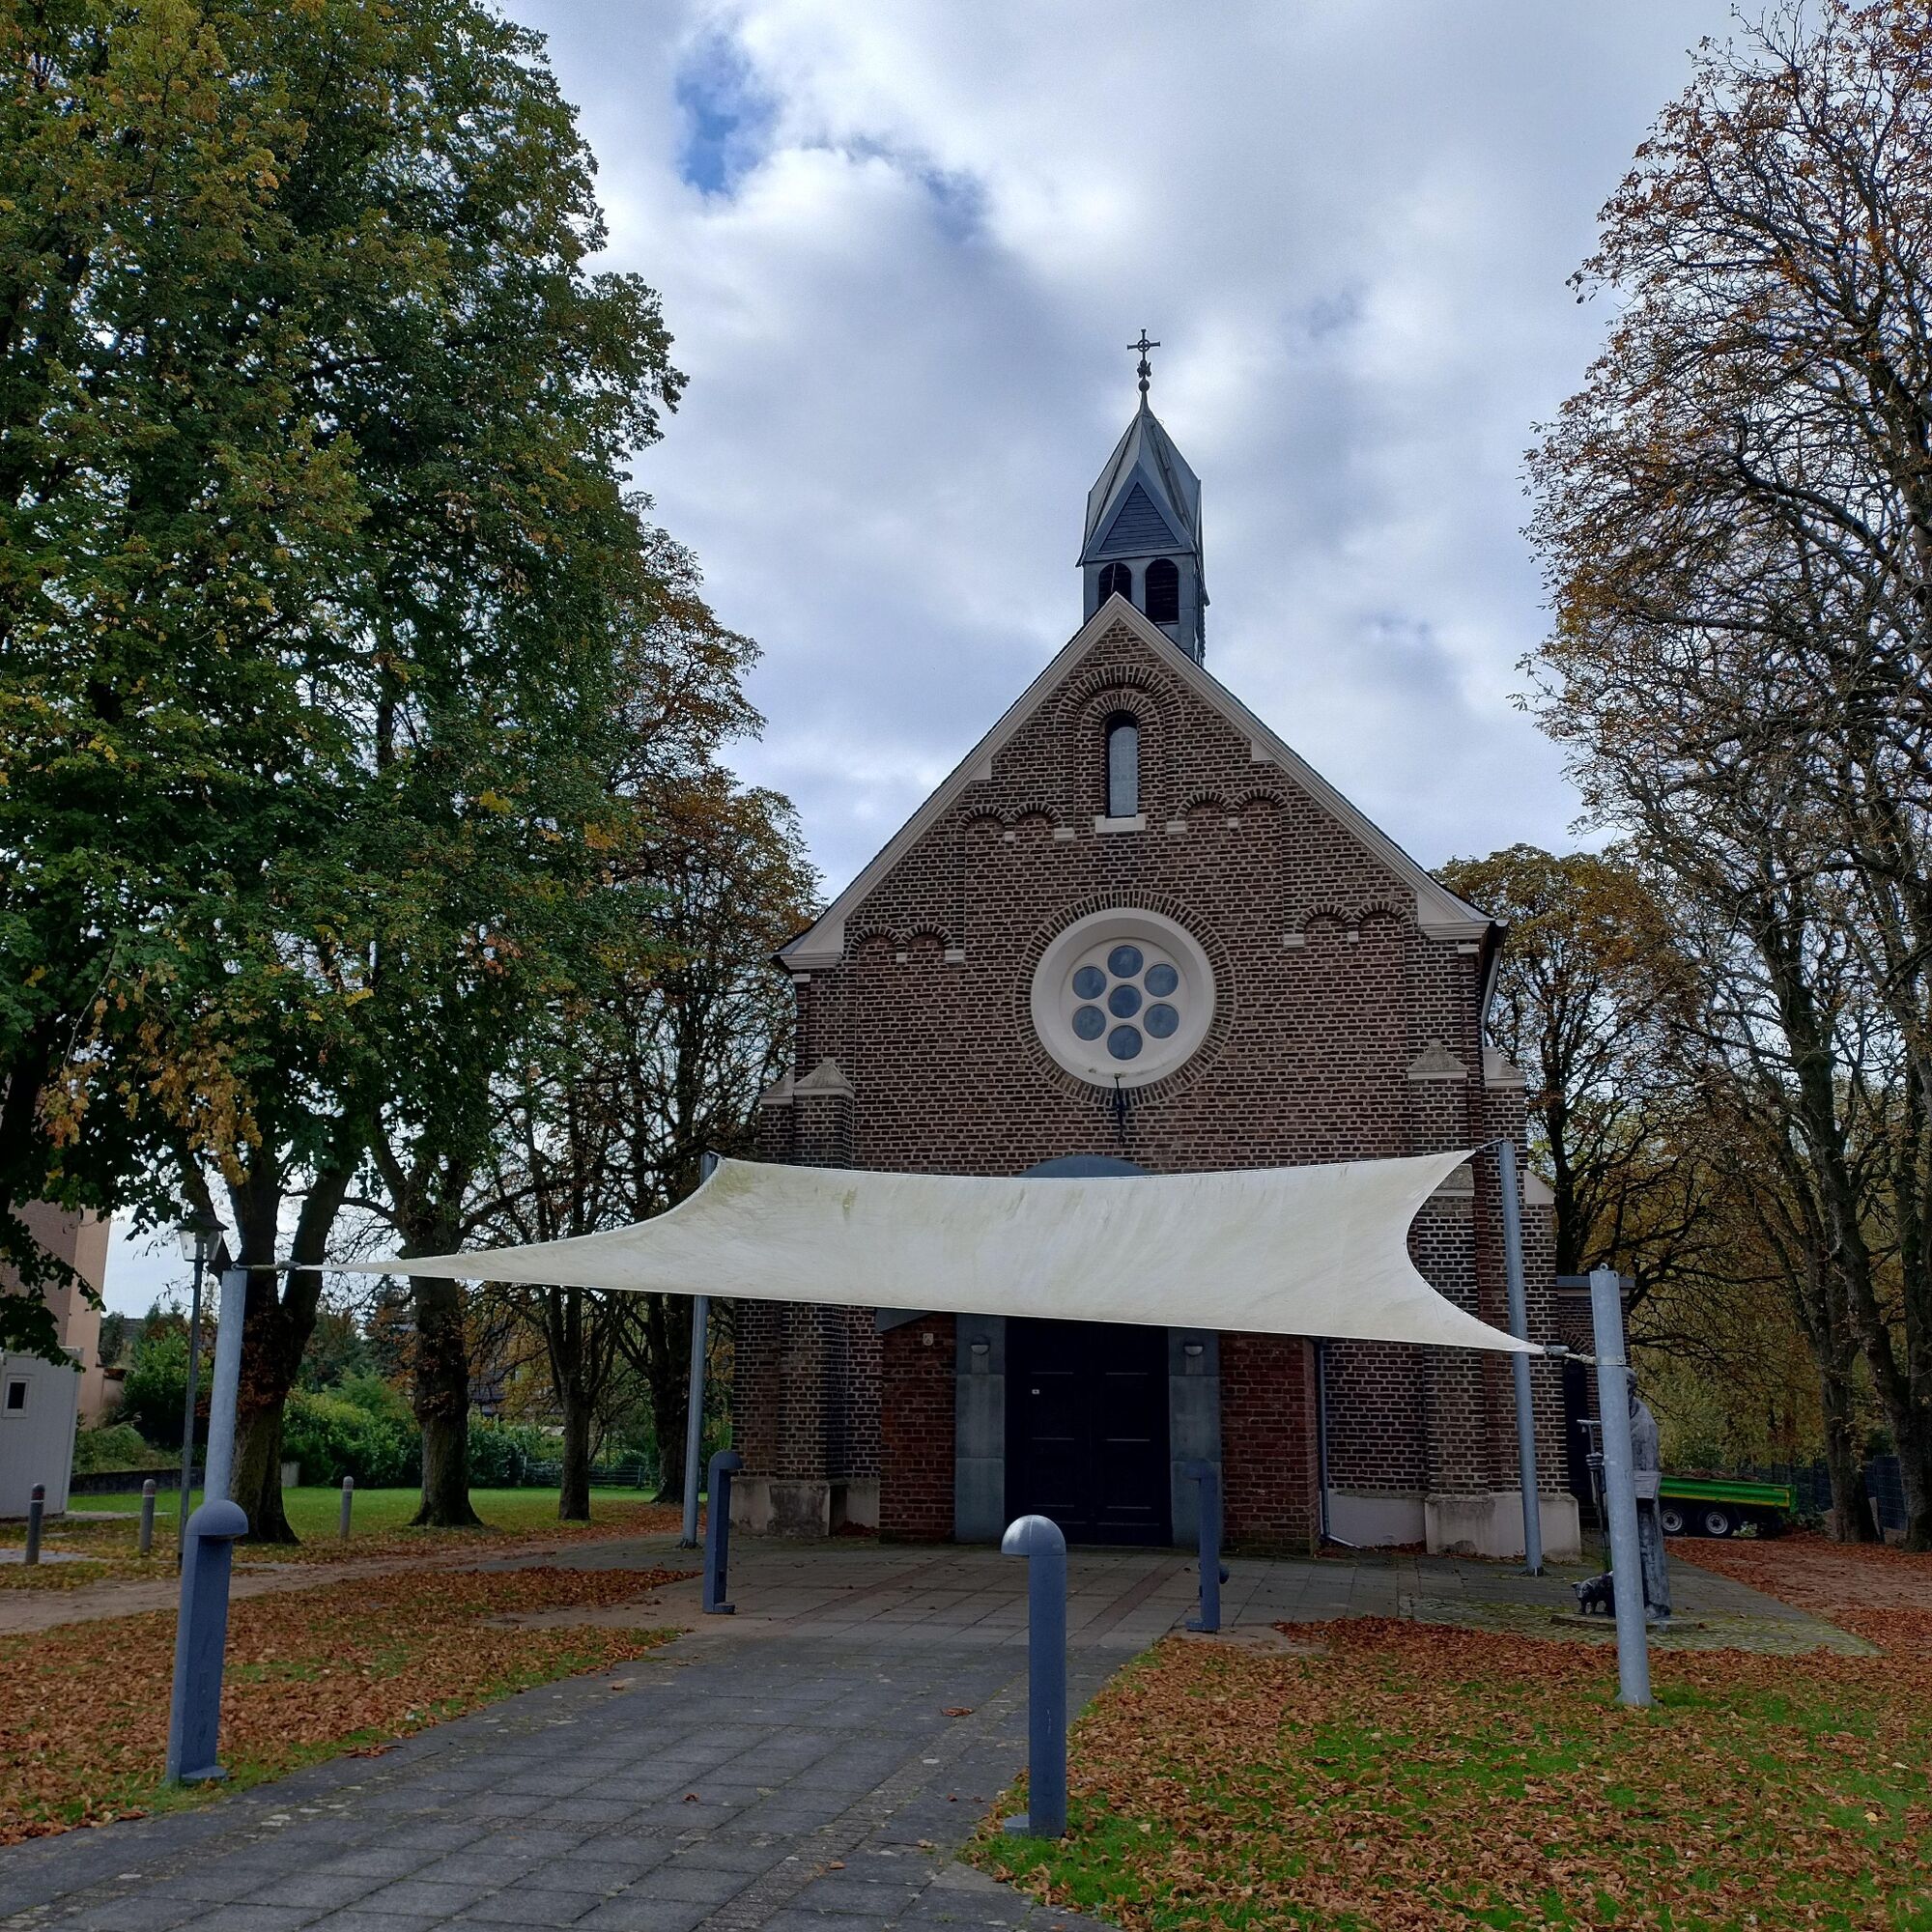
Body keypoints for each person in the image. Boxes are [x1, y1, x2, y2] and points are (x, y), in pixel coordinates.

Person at [1630, 1383, 1672, 1620]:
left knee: (1647, 1548)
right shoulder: (1622, 1418)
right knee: (1629, 1550)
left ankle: (1656, 1602)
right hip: (1624, 1497)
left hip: (1640, 1499)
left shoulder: (1644, 1426)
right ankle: (1629, 1598)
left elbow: (1648, 1467)